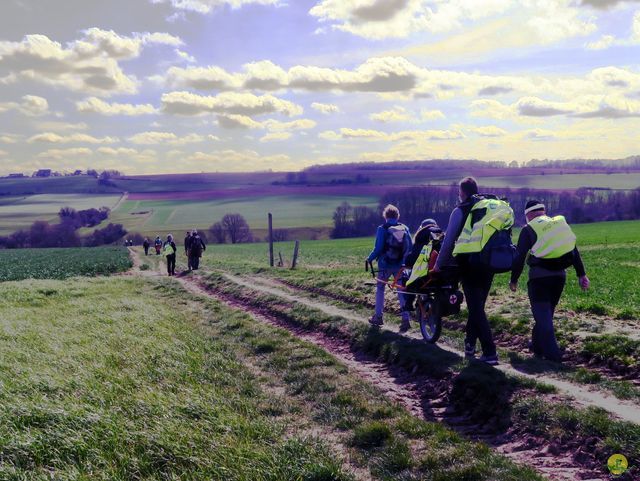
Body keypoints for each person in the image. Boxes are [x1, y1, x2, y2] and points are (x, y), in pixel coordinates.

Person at [510, 200, 590, 362]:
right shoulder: (558, 223)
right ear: (543, 211)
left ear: (529, 215)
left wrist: (514, 279)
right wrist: (581, 275)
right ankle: (537, 347)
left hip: (539, 278)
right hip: (559, 277)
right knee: (545, 316)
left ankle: (554, 357)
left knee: (543, 317)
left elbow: (519, 257)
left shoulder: (529, 229)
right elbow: (573, 249)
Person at [433, 177, 500, 365]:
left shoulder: (460, 210)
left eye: (459, 191)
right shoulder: (488, 208)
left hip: (469, 265)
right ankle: (470, 345)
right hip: (490, 263)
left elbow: (447, 242)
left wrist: (438, 265)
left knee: (476, 308)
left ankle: (490, 352)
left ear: (462, 192)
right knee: (477, 307)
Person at [366, 204, 412, 330]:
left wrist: (369, 258)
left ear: (385, 216)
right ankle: (406, 319)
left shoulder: (382, 228)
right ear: (398, 216)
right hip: (401, 266)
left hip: (385, 265)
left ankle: (378, 317)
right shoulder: (405, 228)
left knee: (380, 289)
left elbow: (378, 248)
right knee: (401, 291)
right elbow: (410, 247)